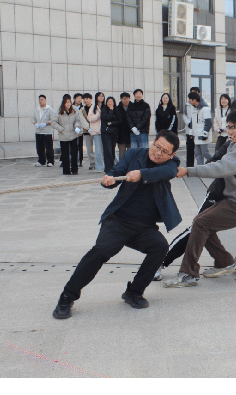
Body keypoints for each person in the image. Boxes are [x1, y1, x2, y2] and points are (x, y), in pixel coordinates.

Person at [51, 132, 182, 318]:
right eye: (157, 147)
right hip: (118, 221)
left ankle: (134, 292)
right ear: (153, 142)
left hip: (145, 227)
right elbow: (116, 172)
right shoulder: (133, 154)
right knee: (101, 251)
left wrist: (141, 174)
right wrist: (109, 180)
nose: (158, 153)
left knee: (160, 246)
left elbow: (166, 172)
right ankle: (67, 296)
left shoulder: (171, 164)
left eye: (164, 151)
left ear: (171, 154)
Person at [165, 109, 236, 286]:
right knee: (202, 222)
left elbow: (221, 167)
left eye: (234, 127)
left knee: (201, 223)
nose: (230, 131)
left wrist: (189, 171)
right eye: (229, 127)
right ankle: (224, 261)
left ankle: (188, 274)